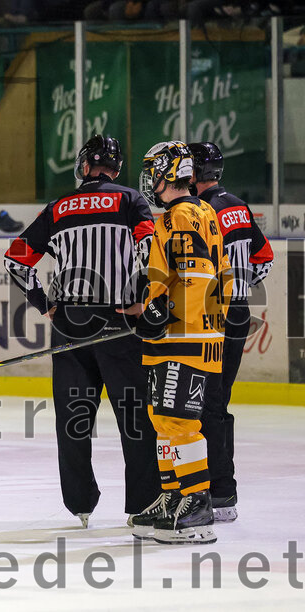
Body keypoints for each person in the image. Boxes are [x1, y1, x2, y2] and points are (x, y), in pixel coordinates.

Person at [3, 134, 159, 528]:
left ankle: (81, 504)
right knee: (135, 418)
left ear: (85, 166)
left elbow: (16, 261)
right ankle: (142, 505)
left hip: (70, 322)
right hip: (119, 321)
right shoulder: (130, 200)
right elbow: (150, 251)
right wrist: (141, 298)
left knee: (73, 420)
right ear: (116, 168)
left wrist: (47, 306)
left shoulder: (59, 207)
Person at [126, 140, 231, 545]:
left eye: (153, 169)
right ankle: (173, 496)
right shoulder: (196, 211)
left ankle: (196, 503)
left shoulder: (183, 213)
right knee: (164, 419)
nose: (148, 177)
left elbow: (198, 271)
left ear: (166, 173)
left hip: (185, 335)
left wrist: (162, 310)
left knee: (179, 421)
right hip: (180, 334)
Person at [189, 141, 273, 522]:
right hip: (237, 313)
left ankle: (219, 491)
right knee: (217, 403)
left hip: (212, 315)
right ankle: (222, 490)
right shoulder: (238, 205)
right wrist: (242, 287)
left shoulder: (203, 211)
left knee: (206, 404)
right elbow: (264, 256)